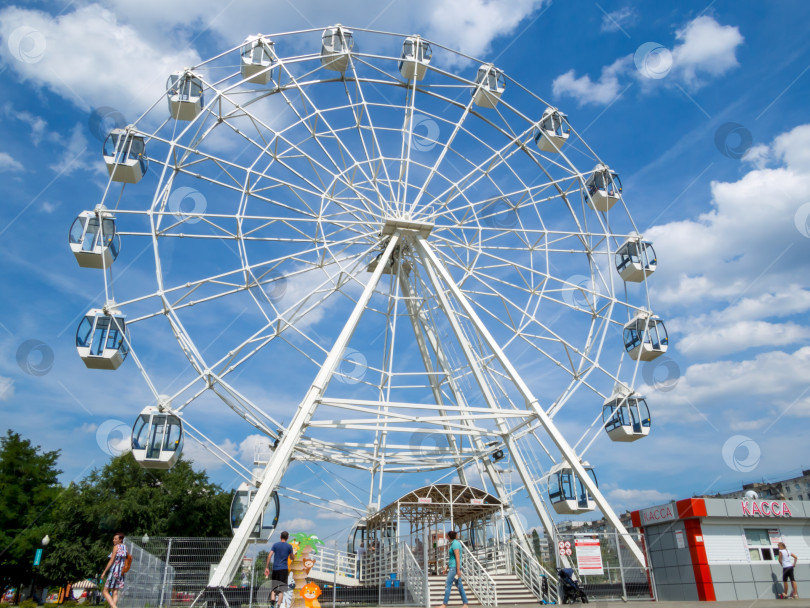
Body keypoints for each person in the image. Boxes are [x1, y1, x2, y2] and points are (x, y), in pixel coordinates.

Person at [435, 530, 468, 608]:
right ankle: (465, 604)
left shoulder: (455, 544)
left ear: (449, 537)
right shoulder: (453, 544)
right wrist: (446, 568)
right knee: (459, 586)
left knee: (448, 584)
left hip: (454, 568)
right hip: (453, 567)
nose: (447, 537)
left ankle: (444, 604)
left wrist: (458, 570)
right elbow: (451, 558)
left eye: (447, 536)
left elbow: (457, 557)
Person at [264, 531, 294, 608]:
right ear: (287, 538)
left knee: (273, 588)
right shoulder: (289, 547)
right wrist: (292, 556)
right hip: (284, 569)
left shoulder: (275, 545)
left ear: (280, 537)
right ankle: (278, 606)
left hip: (275, 569)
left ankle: (272, 604)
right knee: (281, 590)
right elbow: (292, 557)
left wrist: (267, 567)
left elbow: (269, 556)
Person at [101, 532, 127, 608]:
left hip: (114, 570)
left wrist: (104, 571)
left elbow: (111, 560)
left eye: (116, 539)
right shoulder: (125, 547)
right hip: (121, 572)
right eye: (113, 539)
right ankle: (113, 606)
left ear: (120, 539)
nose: (113, 540)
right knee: (115, 591)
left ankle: (114, 607)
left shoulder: (116, 547)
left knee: (105, 591)